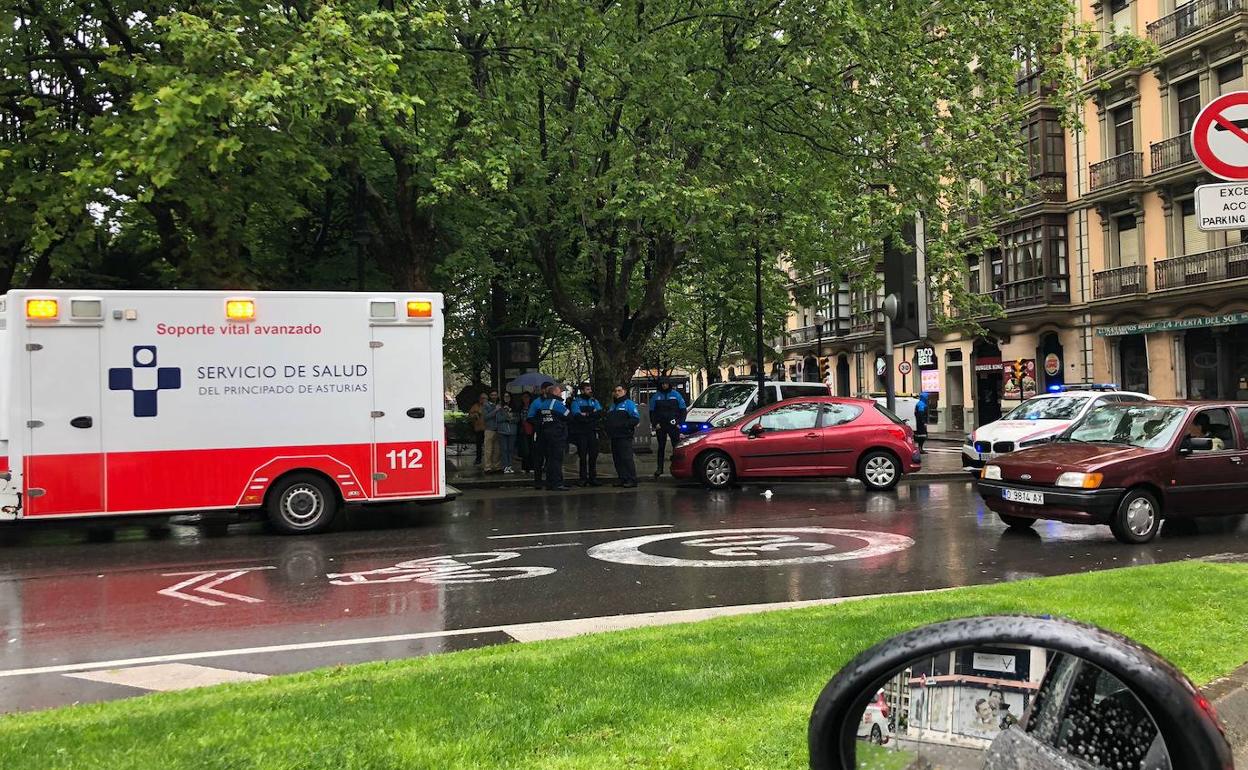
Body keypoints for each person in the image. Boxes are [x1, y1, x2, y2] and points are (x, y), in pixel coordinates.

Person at [528, 381, 570, 491]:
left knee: (549, 460)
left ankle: (548, 482)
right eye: (559, 392)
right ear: (554, 392)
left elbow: (537, 418)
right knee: (556, 459)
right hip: (556, 435)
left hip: (545, 434)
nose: (561, 394)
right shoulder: (555, 404)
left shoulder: (543, 404)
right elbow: (568, 416)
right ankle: (557, 483)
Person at [568, 383, 603, 486]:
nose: (590, 391)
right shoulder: (576, 402)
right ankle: (582, 478)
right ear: (582, 391)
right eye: (588, 389)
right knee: (582, 456)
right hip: (581, 432)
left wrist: (586, 414)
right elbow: (577, 416)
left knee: (593, 456)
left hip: (592, 431)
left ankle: (593, 478)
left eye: (590, 389)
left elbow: (599, 413)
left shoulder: (594, 401)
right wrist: (592, 414)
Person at [648, 381, 686, 477]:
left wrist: (679, 423)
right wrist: (655, 424)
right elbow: (652, 412)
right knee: (661, 447)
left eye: (666, 383)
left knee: (676, 447)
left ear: (669, 384)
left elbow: (683, 410)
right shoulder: (656, 396)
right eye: (662, 384)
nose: (664, 385)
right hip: (661, 426)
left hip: (673, 425)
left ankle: (677, 467)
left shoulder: (676, 395)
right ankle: (659, 468)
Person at [606, 384, 641, 487]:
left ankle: (632, 479)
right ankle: (622, 478)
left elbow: (635, 418)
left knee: (626, 458)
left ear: (624, 391)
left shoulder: (629, 404)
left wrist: (624, 426)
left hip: (624, 436)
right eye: (615, 391)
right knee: (617, 459)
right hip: (614, 436)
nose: (617, 393)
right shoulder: (613, 405)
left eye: (619, 390)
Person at [497, 392, 518, 474]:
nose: (506, 397)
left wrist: (511, 417)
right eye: (505, 396)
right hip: (502, 431)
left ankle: (510, 465)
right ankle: (505, 466)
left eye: (508, 396)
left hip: (512, 431)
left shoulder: (515, 407)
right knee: (504, 449)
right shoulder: (500, 407)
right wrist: (507, 415)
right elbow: (499, 419)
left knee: (510, 449)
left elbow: (517, 419)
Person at [481, 389, 502, 473]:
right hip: (489, 429)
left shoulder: (499, 404)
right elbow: (486, 417)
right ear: (490, 396)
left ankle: (497, 466)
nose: (494, 396)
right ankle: (487, 467)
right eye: (492, 395)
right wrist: (495, 410)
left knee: (497, 450)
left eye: (495, 395)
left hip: (498, 429)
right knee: (488, 449)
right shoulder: (486, 405)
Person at [518, 392, 536, 473]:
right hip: (523, 430)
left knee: (532, 448)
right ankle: (524, 466)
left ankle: (532, 466)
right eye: (524, 397)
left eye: (527, 397)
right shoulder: (520, 408)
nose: (525, 399)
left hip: (531, 429)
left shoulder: (532, 407)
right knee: (524, 449)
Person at [468, 392, 487, 466]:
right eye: (482, 398)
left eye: (485, 398)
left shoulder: (489, 406)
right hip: (478, 428)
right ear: (479, 399)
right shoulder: (475, 406)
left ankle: (488, 460)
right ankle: (478, 459)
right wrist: (475, 414)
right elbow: (470, 415)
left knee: (488, 446)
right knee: (478, 445)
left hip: (487, 428)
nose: (483, 400)